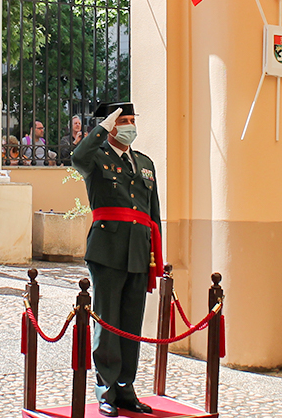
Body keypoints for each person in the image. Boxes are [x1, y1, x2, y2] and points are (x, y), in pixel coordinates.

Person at [71, 102, 163, 417]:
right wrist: (101, 127)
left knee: (130, 323)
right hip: (107, 250)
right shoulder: (96, 157)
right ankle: (106, 389)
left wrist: (156, 256)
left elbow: (154, 215)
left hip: (138, 251)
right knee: (107, 323)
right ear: (110, 126)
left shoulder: (144, 163)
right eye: (122, 121)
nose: (128, 126)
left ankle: (126, 387)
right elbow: (77, 157)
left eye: (131, 120)